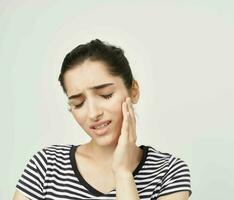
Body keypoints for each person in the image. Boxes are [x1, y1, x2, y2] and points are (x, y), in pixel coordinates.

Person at [13, 39, 192, 200]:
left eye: (106, 95)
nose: (93, 113)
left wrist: (122, 173)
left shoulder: (169, 172)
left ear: (134, 90)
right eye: (79, 103)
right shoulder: (46, 166)